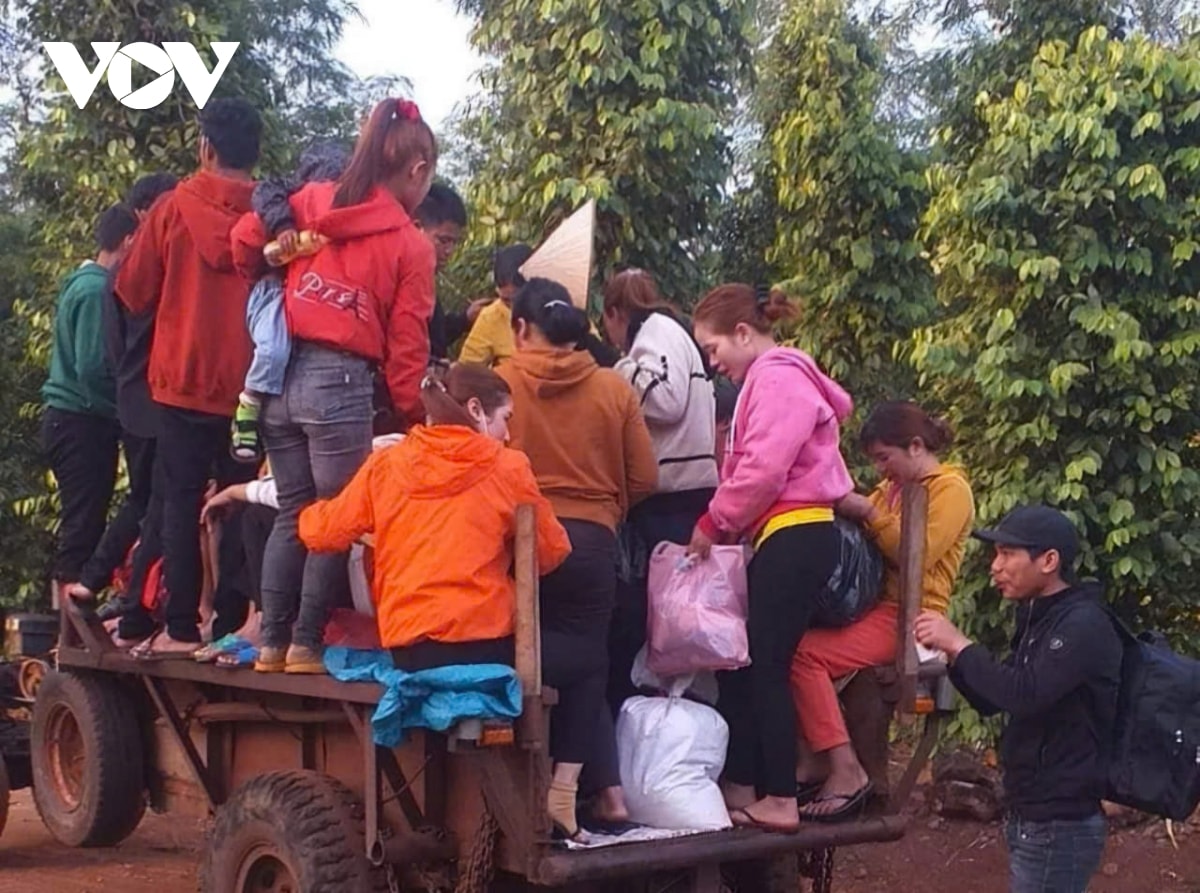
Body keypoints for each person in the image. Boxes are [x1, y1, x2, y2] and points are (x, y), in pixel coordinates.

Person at [230, 97, 437, 674]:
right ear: (418, 171)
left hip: (275, 377)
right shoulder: (411, 245)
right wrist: (409, 415)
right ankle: (305, 645)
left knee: (293, 510)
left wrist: (281, 245)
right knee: (336, 515)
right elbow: (406, 346)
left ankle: (269, 645)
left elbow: (243, 241)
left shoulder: (312, 199)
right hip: (339, 382)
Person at [688, 283, 853, 833]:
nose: (714, 363)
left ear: (742, 333)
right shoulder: (779, 377)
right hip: (789, 533)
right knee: (758, 663)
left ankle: (780, 795)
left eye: (714, 350)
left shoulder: (778, 377)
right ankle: (758, 783)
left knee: (765, 666)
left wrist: (714, 523)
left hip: (795, 531)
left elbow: (762, 469)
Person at [497, 278, 658, 838]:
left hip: (516, 538)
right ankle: (564, 790)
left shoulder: (501, 383)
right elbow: (645, 477)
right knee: (588, 660)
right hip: (591, 541)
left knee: (517, 652)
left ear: (521, 327)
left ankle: (511, 788)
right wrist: (606, 508)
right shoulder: (614, 388)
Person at [297, 364, 570, 672]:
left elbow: (321, 534)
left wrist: (298, 509)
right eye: (506, 418)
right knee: (585, 659)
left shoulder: (386, 464)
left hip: (408, 645)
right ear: (475, 409)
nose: (507, 434)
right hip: (484, 643)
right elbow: (551, 553)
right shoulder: (509, 467)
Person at [115, 97, 264, 657]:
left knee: (178, 501)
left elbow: (132, 291)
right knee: (244, 501)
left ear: (205, 147)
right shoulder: (270, 216)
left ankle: (180, 624)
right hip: (250, 387)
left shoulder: (173, 207)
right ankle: (232, 621)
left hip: (180, 379)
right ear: (255, 154)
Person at [916, 506, 1121, 893]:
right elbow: (997, 699)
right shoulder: (1041, 618)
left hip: (1060, 820)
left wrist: (960, 644)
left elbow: (1026, 694)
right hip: (1032, 814)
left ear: (1049, 561)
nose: (995, 566)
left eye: (1008, 554)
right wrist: (951, 657)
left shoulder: (1082, 624)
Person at [790, 401, 975, 821]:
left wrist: (871, 514)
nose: (880, 469)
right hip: (875, 610)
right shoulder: (891, 489)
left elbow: (917, 556)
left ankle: (840, 766)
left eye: (883, 458)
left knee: (804, 653)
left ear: (914, 446)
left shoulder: (949, 489)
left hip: (910, 615)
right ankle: (819, 755)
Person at [600, 268, 719, 710]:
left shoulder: (656, 331)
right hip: (679, 497)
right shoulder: (671, 333)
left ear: (615, 314)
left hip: (674, 498)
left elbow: (666, 401)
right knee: (671, 624)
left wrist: (619, 368)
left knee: (651, 620)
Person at [73, 174, 180, 625]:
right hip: (160, 399)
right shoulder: (151, 269)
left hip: (136, 399)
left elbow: (116, 352)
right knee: (161, 500)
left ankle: (99, 582)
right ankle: (137, 599)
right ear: (143, 213)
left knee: (145, 498)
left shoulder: (119, 273)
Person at [230, 141, 351, 463]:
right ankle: (249, 405)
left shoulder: (347, 217)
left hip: (306, 298)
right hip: (273, 291)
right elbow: (262, 201)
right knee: (273, 348)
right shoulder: (289, 195)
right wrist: (283, 225)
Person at [41, 203, 138, 595]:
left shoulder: (80, 282)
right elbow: (94, 366)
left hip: (68, 419)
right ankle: (70, 629)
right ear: (129, 241)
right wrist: (128, 410)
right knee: (83, 524)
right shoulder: (98, 289)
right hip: (82, 419)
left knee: (81, 520)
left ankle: (69, 626)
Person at [413, 182, 490, 361]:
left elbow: (434, 337)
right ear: (417, 228)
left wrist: (464, 319)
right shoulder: (402, 277)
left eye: (455, 243)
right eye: (444, 240)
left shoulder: (428, 279)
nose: (449, 251)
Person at [457, 244, 533, 366]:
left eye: (519, 300)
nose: (514, 308)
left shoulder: (559, 309)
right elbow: (467, 370)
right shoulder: (491, 317)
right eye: (506, 301)